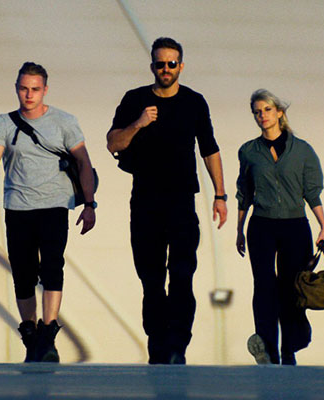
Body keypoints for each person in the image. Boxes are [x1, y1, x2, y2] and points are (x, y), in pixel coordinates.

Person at [106, 37, 228, 365]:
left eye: (171, 64)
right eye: (160, 64)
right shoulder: (135, 100)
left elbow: (209, 149)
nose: (166, 69)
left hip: (181, 201)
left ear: (181, 67)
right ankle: (158, 343)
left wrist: (220, 195)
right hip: (145, 201)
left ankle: (178, 344)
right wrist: (139, 123)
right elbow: (113, 143)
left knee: (182, 274)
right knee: (151, 279)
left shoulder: (193, 102)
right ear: (152, 67)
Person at [0, 62, 96, 363]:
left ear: (45, 90)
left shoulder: (64, 122)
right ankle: (30, 332)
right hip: (18, 206)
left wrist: (89, 204)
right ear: (16, 89)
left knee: (53, 266)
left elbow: (83, 162)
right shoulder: (5, 123)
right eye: (23, 89)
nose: (29, 95)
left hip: (54, 205)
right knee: (23, 272)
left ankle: (48, 331)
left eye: (34, 89)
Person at [236, 89, 324, 366]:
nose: (262, 116)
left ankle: (290, 347)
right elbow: (244, 193)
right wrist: (239, 229)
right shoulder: (249, 151)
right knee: (264, 286)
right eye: (257, 112)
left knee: (292, 287)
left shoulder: (302, 150)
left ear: (279, 112)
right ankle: (267, 349)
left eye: (267, 109)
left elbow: (312, 193)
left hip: (294, 225)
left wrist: (323, 227)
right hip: (261, 225)